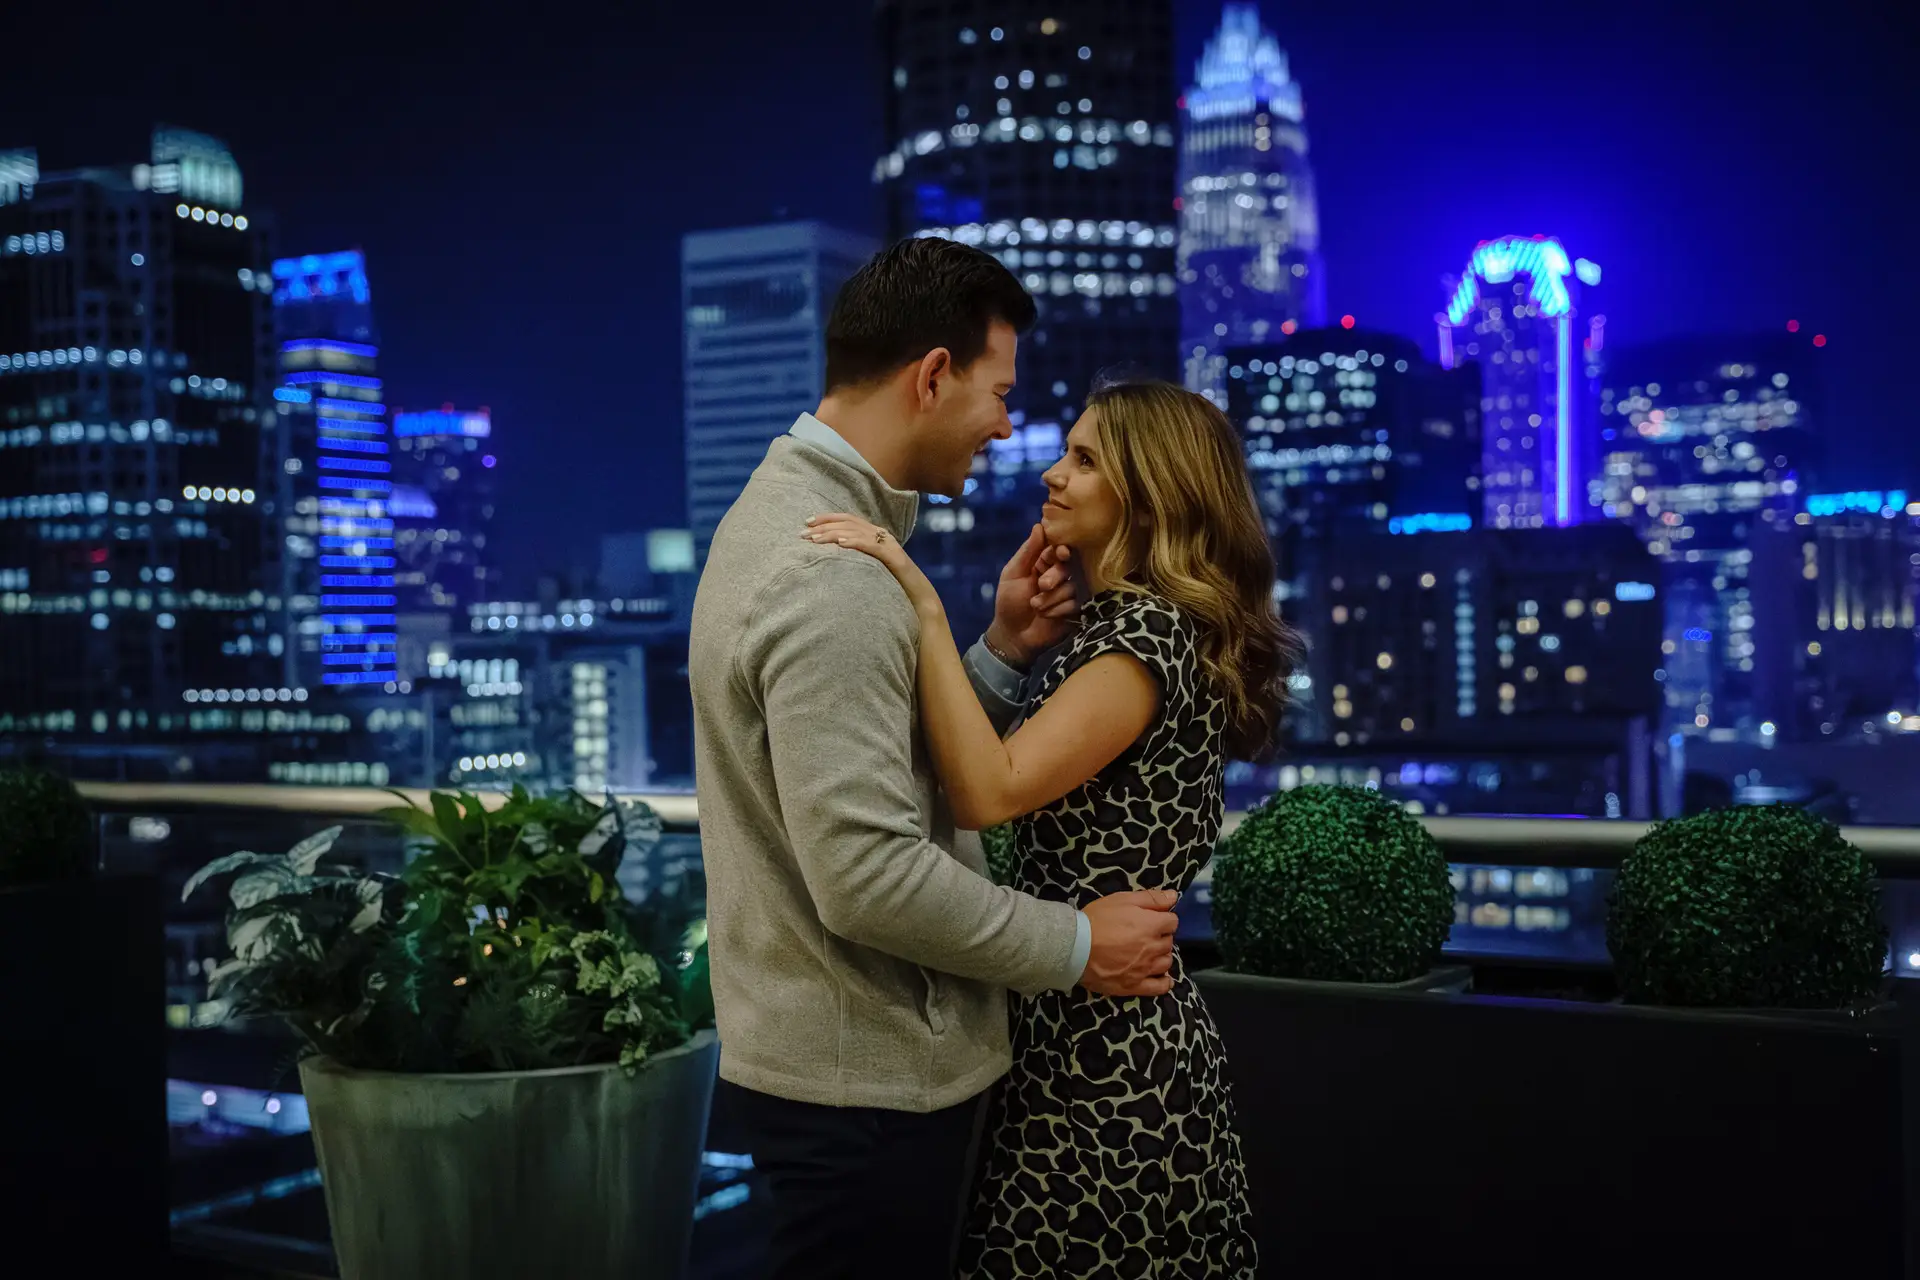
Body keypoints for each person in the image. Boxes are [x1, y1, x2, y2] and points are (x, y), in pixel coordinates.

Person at [690, 237, 1184, 1280]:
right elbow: (869, 873)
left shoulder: (785, 522)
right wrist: (1075, 945)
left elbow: (877, 763)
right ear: (930, 376)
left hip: (830, 1074)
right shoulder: (834, 574)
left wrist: (999, 655)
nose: (1010, 427)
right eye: (998, 391)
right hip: (864, 1091)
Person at [806, 377, 1301, 1279]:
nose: (1050, 473)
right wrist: (1006, 637)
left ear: (1148, 494)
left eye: (1083, 460)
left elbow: (986, 793)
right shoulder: (1125, 628)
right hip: (1081, 1020)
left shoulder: (1141, 636)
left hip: (1105, 1053)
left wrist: (918, 603)